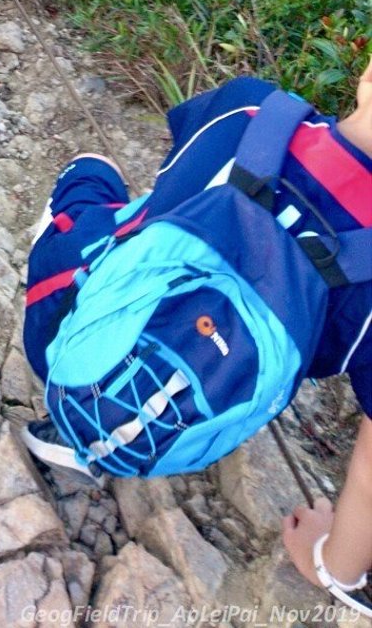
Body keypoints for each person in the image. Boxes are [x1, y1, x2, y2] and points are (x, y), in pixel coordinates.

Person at [22, 67, 372, 612]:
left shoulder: (249, 109)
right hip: (188, 430)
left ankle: (62, 231)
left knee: (94, 172)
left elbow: (169, 193)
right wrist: (333, 566)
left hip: (57, 342)